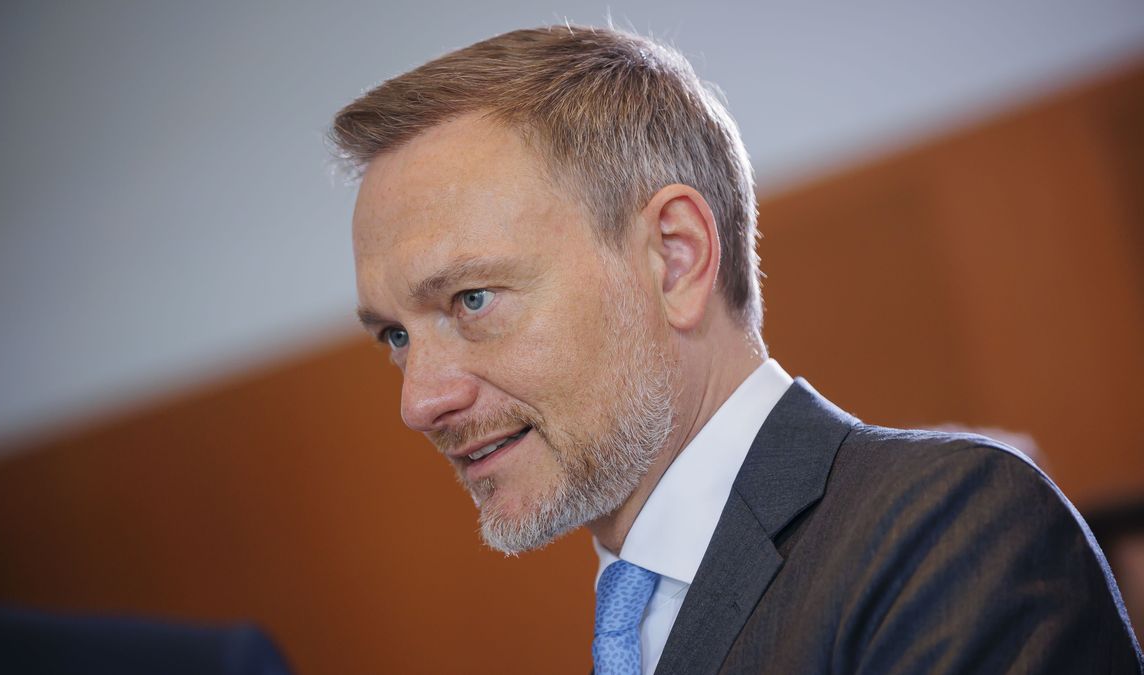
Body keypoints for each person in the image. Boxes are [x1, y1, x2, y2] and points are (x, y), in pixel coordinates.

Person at [332, 25, 1143, 674]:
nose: (419, 400)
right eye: (395, 335)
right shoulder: (637, 619)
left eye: (472, 299)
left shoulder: (944, 536)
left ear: (675, 258)